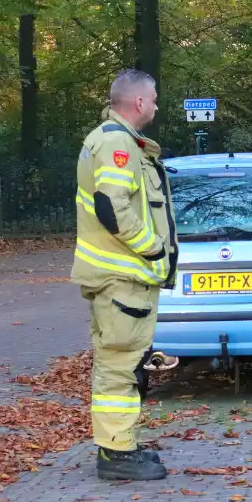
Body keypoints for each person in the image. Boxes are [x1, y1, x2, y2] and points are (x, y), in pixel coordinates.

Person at [71, 69, 180, 480]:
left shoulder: (115, 140)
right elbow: (112, 207)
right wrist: (151, 248)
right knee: (120, 366)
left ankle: (122, 445)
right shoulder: (117, 144)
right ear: (138, 102)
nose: (155, 105)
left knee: (124, 362)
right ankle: (116, 456)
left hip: (119, 278)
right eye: (153, 99)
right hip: (122, 279)